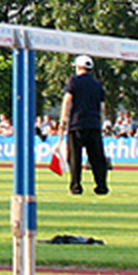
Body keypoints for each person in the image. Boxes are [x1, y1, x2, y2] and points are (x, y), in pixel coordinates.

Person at [58, 54, 109, 196]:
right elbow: (102, 106)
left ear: (78, 67)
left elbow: (67, 100)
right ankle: (101, 186)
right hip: (94, 124)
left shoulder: (74, 81)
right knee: (97, 158)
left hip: (77, 123)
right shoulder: (97, 84)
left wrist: (63, 120)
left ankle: (76, 186)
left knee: (75, 157)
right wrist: (101, 122)